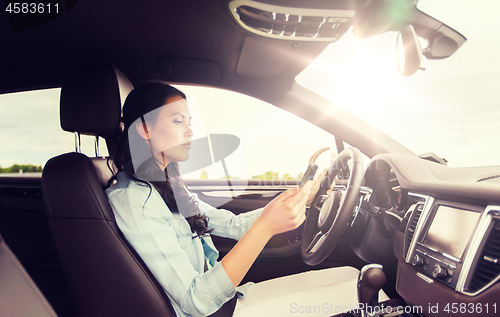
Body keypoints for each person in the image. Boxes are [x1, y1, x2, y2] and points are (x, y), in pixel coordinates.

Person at [105, 82, 325, 317]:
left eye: (189, 122)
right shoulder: (136, 200)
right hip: (212, 312)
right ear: (145, 129)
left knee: (348, 277)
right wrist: (266, 227)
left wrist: (304, 196)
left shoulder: (168, 187)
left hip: (227, 302)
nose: (190, 131)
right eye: (178, 121)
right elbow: (195, 301)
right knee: (354, 288)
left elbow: (234, 225)